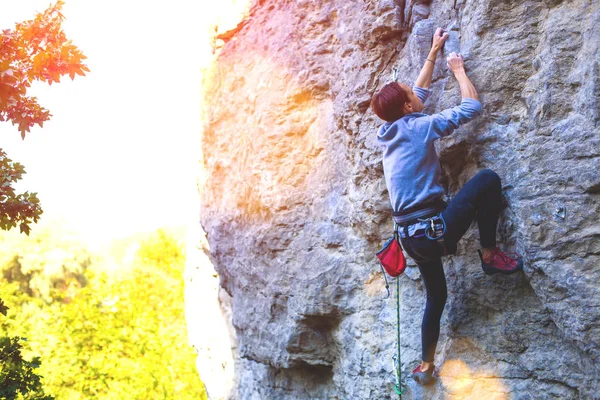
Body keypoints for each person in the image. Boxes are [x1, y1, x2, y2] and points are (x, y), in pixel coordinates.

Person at [371, 27, 523, 385]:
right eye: (410, 94)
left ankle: (425, 365)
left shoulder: (391, 130)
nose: (416, 90)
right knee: (487, 180)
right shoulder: (419, 126)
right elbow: (471, 107)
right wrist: (457, 71)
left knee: (435, 296)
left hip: (412, 240)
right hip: (430, 229)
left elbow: (417, 92)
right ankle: (489, 254)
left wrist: (434, 52)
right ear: (408, 108)